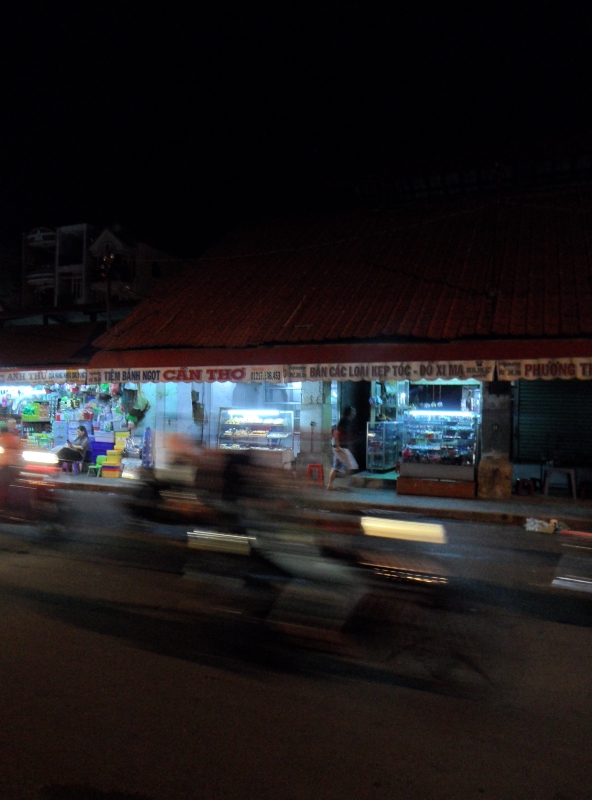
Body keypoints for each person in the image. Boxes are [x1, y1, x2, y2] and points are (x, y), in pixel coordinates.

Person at [327, 406, 358, 490]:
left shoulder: (346, 422)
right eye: (353, 412)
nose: (354, 413)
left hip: (340, 447)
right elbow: (336, 433)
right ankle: (347, 483)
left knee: (336, 467)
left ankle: (330, 485)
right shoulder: (344, 421)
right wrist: (338, 446)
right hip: (341, 448)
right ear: (349, 413)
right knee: (352, 465)